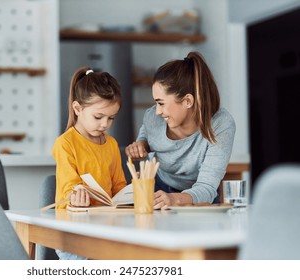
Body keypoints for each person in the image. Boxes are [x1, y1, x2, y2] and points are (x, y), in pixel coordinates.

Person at [125, 51, 235, 209]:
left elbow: (207, 187)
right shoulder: (153, 117)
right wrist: (141, 144)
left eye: (161, 103)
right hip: (158, 189)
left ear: (188, 101)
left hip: (200, 195)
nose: (157, 111)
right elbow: (147, 133)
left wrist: (176, 199)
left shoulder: (221, 123)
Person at [52, 66, 127, 260]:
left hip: (105, 229)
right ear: (78, 108)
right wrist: (76, 195)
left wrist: (131, 196)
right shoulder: (65, 144)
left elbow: (119, 186)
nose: (105, 124)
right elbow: (69, 187)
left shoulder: (111, 144)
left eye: (111, 118)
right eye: (98, 117)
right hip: (73, 232)